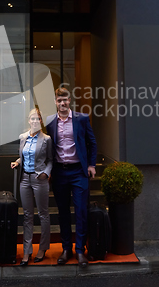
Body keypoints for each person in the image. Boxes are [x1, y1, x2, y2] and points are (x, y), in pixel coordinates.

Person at [46, 87, 97, 268]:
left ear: (70, 101)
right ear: (55, 102)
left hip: (78, 172)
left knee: (81, 211)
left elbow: (92, 142)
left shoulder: (81, 119)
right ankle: (66, 249)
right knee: (63, 212)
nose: (62, 103)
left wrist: (91, 165)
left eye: (65, 100)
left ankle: (81, 250)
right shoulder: (50, 122)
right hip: (60, 172)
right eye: (59, 100)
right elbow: (46, 147)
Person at [11, 108, 52, 266]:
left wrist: (46, 174)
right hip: (25, 179)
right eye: (32, 119)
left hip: (39, 179)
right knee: (27, 216)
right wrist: (17, 162)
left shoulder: (46, 139)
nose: (35, 121)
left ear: (41, 121)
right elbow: (24, 155)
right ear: (28, 120)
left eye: (38, 119)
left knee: (43, 214)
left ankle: (43, 248)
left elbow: (50, 160)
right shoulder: (23, 137)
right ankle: (27, 251)